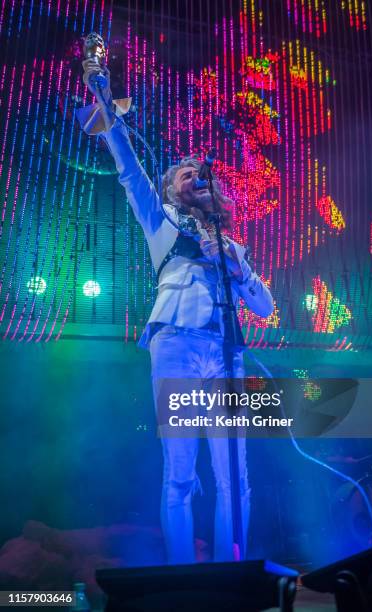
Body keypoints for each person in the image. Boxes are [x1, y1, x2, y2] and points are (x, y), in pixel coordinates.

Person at [79, 58, 274, 564]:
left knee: (236, 474)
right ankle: (185, 574)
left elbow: (265, 307)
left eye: (199, 170)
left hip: (227, 356)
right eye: (184, 171)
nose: (194, 173)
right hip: (177, 345)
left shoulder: (231, 243)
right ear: (171, 188)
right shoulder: (160, 220)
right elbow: (127, 163)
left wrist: (236, 264)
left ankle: (233, 573)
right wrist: (105, 101)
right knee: (181, 472)